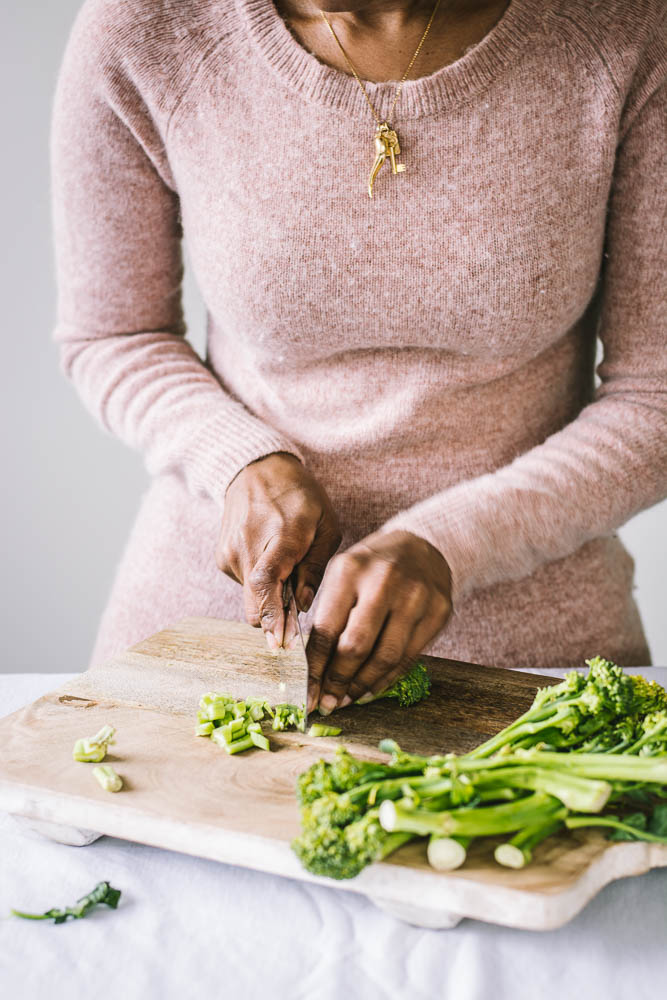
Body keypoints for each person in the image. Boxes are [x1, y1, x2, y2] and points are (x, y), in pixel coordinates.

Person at [50, 0, 666, 714]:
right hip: (214, 630)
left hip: (536, 662)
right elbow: (113, 336)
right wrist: (239, 459)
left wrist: (451, 544)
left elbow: (655, 394)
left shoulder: (623, 29)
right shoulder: (146, 29)